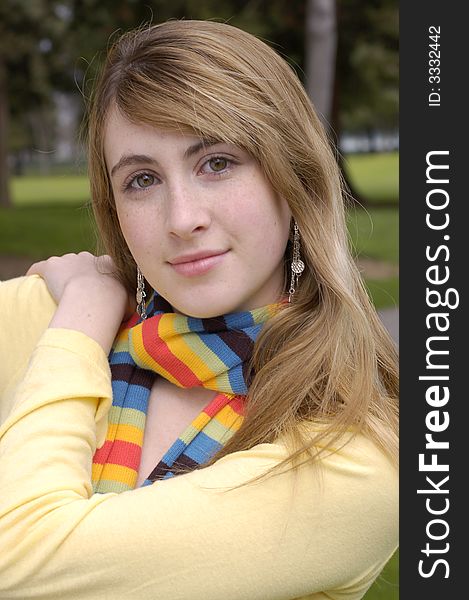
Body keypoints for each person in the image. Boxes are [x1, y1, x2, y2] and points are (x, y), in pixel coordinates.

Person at [0, 19, 398, 600]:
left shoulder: (362, 451)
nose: (182, 218)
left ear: (295, 177)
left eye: (217, 162)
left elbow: (18, 559)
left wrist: (81, 317)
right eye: (141, 179)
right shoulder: (55, 314)